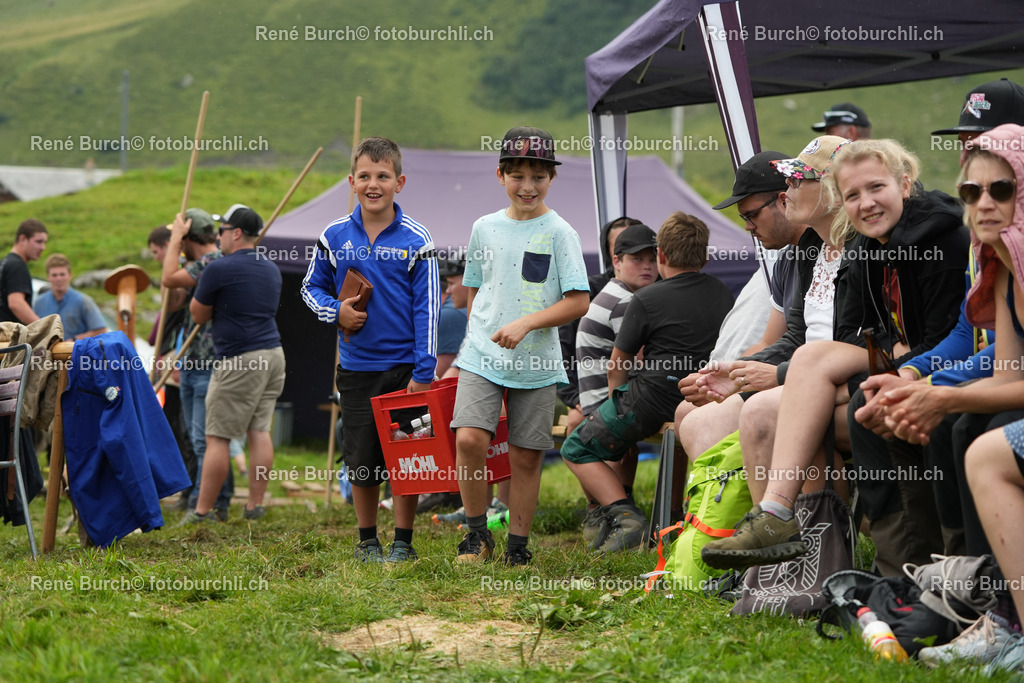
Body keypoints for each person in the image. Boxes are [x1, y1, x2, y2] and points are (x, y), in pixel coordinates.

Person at [702, 138, 969, 571]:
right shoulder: (833, 247)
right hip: (862, 367)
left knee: (783, 401)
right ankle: (779, 544)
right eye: (854, 194)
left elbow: (921, 337)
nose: (788, 189)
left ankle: (806, 551)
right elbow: (820, 334)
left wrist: (899, 361)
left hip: (896, 372)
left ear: (904, 185)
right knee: (729, 408)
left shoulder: (900, 243)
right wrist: (751, 370)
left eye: (797, 178)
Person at [451, 125, 589, 566]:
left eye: (538, 177)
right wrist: (471, 342)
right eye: (517, 176)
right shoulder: (483, 228)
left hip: (537, 360)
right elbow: (474, 289)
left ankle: (517, 547)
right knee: (470, 438)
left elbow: (578, 302)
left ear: (551, 179)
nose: (527, 186)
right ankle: (476, 536)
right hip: (480, 356)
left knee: (526, 456)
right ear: (500, 176)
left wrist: (527, 323)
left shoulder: (561, 232)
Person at [914, 125, 1024, 669]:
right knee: (967, 426)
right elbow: (1008, 375)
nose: (983, 203)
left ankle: (1006, 619)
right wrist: (917, 386)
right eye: (970, 192)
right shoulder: (1002, 267)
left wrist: (939, 396)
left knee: (981, 442)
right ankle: (983, 600)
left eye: (999, 190)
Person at [682, 136, 848, 494]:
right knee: (693, 419)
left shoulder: (858, 251)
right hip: (810, 377)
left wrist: (772, 375)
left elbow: (854, 343)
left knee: (758, 415)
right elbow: (789, 337)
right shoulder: (800, 256)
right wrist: (736, 373)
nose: (747, 227)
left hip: (836, 382)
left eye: (751, 214)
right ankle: (724, 530)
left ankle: (774, 531)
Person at [301, 137, 440, 563]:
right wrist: (335, 312)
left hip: (405, 371)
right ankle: (366, 541)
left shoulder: (418, 239)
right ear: (351, 181)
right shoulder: (334, 234)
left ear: (399, 182)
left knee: (408, 458)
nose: (373, 184)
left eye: (382, 176)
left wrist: (425, 370)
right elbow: (310, 288)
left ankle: (403, 542)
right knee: (361, 458)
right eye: (364, 176)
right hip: (357, 368)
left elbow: (429, 308)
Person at [562, 211, 733, 553]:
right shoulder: (724, 293)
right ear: (706, 256)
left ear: (662, 256)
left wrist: (614, 410)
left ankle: (627, 517)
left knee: (575, 447)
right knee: (676, 439)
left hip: (649, 398)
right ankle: (670, 515)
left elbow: (617, 365)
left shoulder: (646, 298)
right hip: (702, 399)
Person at [182, 205, 285, 524]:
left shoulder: (218, 268)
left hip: (240, 360)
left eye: (222, 231)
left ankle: (202, 512)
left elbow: (198, 315)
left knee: (217, 437)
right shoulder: (271, 268)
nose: (218, 237)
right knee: (259, 430)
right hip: (274, 355)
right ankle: (254, 506)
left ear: (236, 233)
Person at [575, 222, 659, 543]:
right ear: (617, 261)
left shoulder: (613, 292)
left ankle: (619, 516)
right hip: (605, 406)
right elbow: (637, 364)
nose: (648, 266)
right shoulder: (625, 302)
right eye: (638, 259)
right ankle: (642, 517)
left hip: (598, 401)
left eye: (652, 258)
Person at [164, 207, 233, 522]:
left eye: (180, 238)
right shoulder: (198, 264)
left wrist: (174, 240)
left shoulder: (213, 262)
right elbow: (174, 300)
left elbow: (167, 279)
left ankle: (212, 503)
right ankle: (210, 499)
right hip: (192, 362)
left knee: (208, 438)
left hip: (210, 363)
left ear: (189, 237)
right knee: (198, 436)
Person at [33, 253, 107, 340]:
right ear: (48, 277)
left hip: (75, 352)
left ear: (70, 275)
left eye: (62, 274)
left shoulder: (83, 301)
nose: (59, 279)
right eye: (54, 275)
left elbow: (101, 330)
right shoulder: (40, 302)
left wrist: (74, 340)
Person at [0, 218, 47, 324]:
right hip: (9, 338)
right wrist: (43, 329)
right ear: (23, 239)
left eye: (44, 242)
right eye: (39, 242)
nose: (43, 247)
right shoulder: (17, 265)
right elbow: (16, 304)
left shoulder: (4, 263)